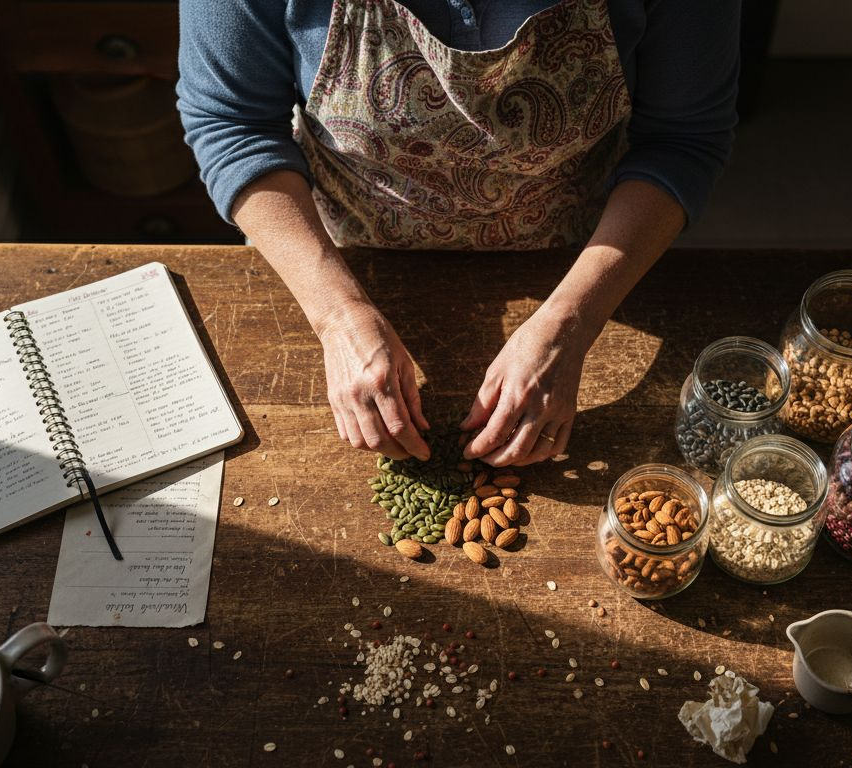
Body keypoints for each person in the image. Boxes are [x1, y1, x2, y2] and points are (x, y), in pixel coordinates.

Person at [177, 0, 738, 467]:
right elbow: (233, 125)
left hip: (581, 250)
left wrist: (574, 317)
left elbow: (683, 139)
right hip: (339, 251)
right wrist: (337, 315)